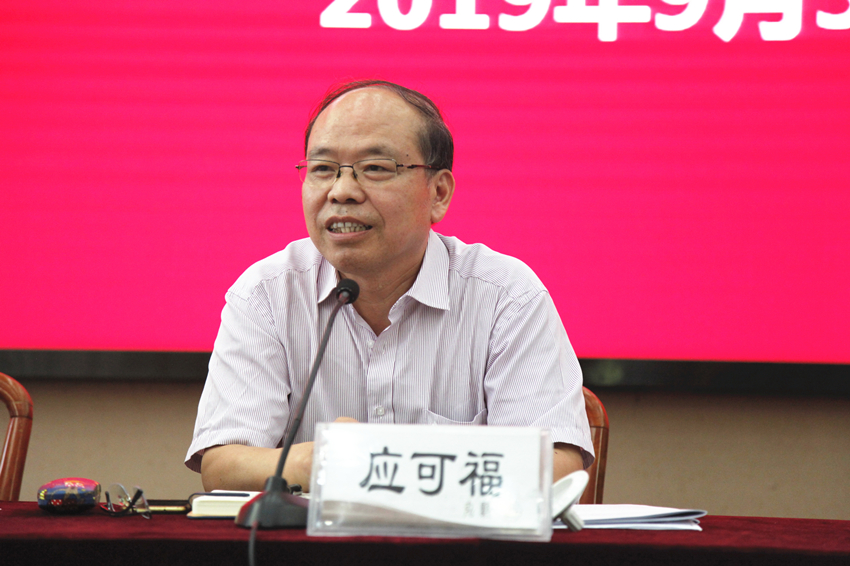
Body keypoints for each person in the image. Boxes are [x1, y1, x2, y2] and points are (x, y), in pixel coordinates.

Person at [186, 80, 594, 492]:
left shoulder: (506, 296)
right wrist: (318, 461)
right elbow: (222, 465)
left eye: (376, 168)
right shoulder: (267, 294)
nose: (342, 192)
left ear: (438, 193)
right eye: (322, 169)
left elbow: (558, 467)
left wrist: (383, 465)